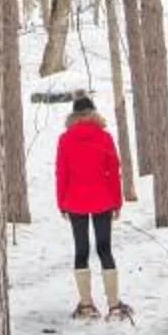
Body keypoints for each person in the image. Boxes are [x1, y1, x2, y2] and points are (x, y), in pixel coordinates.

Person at [54, 92, 128, 320]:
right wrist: (117, 202)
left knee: (81, 250)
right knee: (105, 249)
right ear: (93, 112)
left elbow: (61, 173)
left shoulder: (65, 139)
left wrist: (62, 203)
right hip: (103, 200)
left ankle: (86, 306)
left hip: (75, 201)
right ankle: (114, 306)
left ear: (74, 115)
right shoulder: (104, 137)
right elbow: (114, 173)